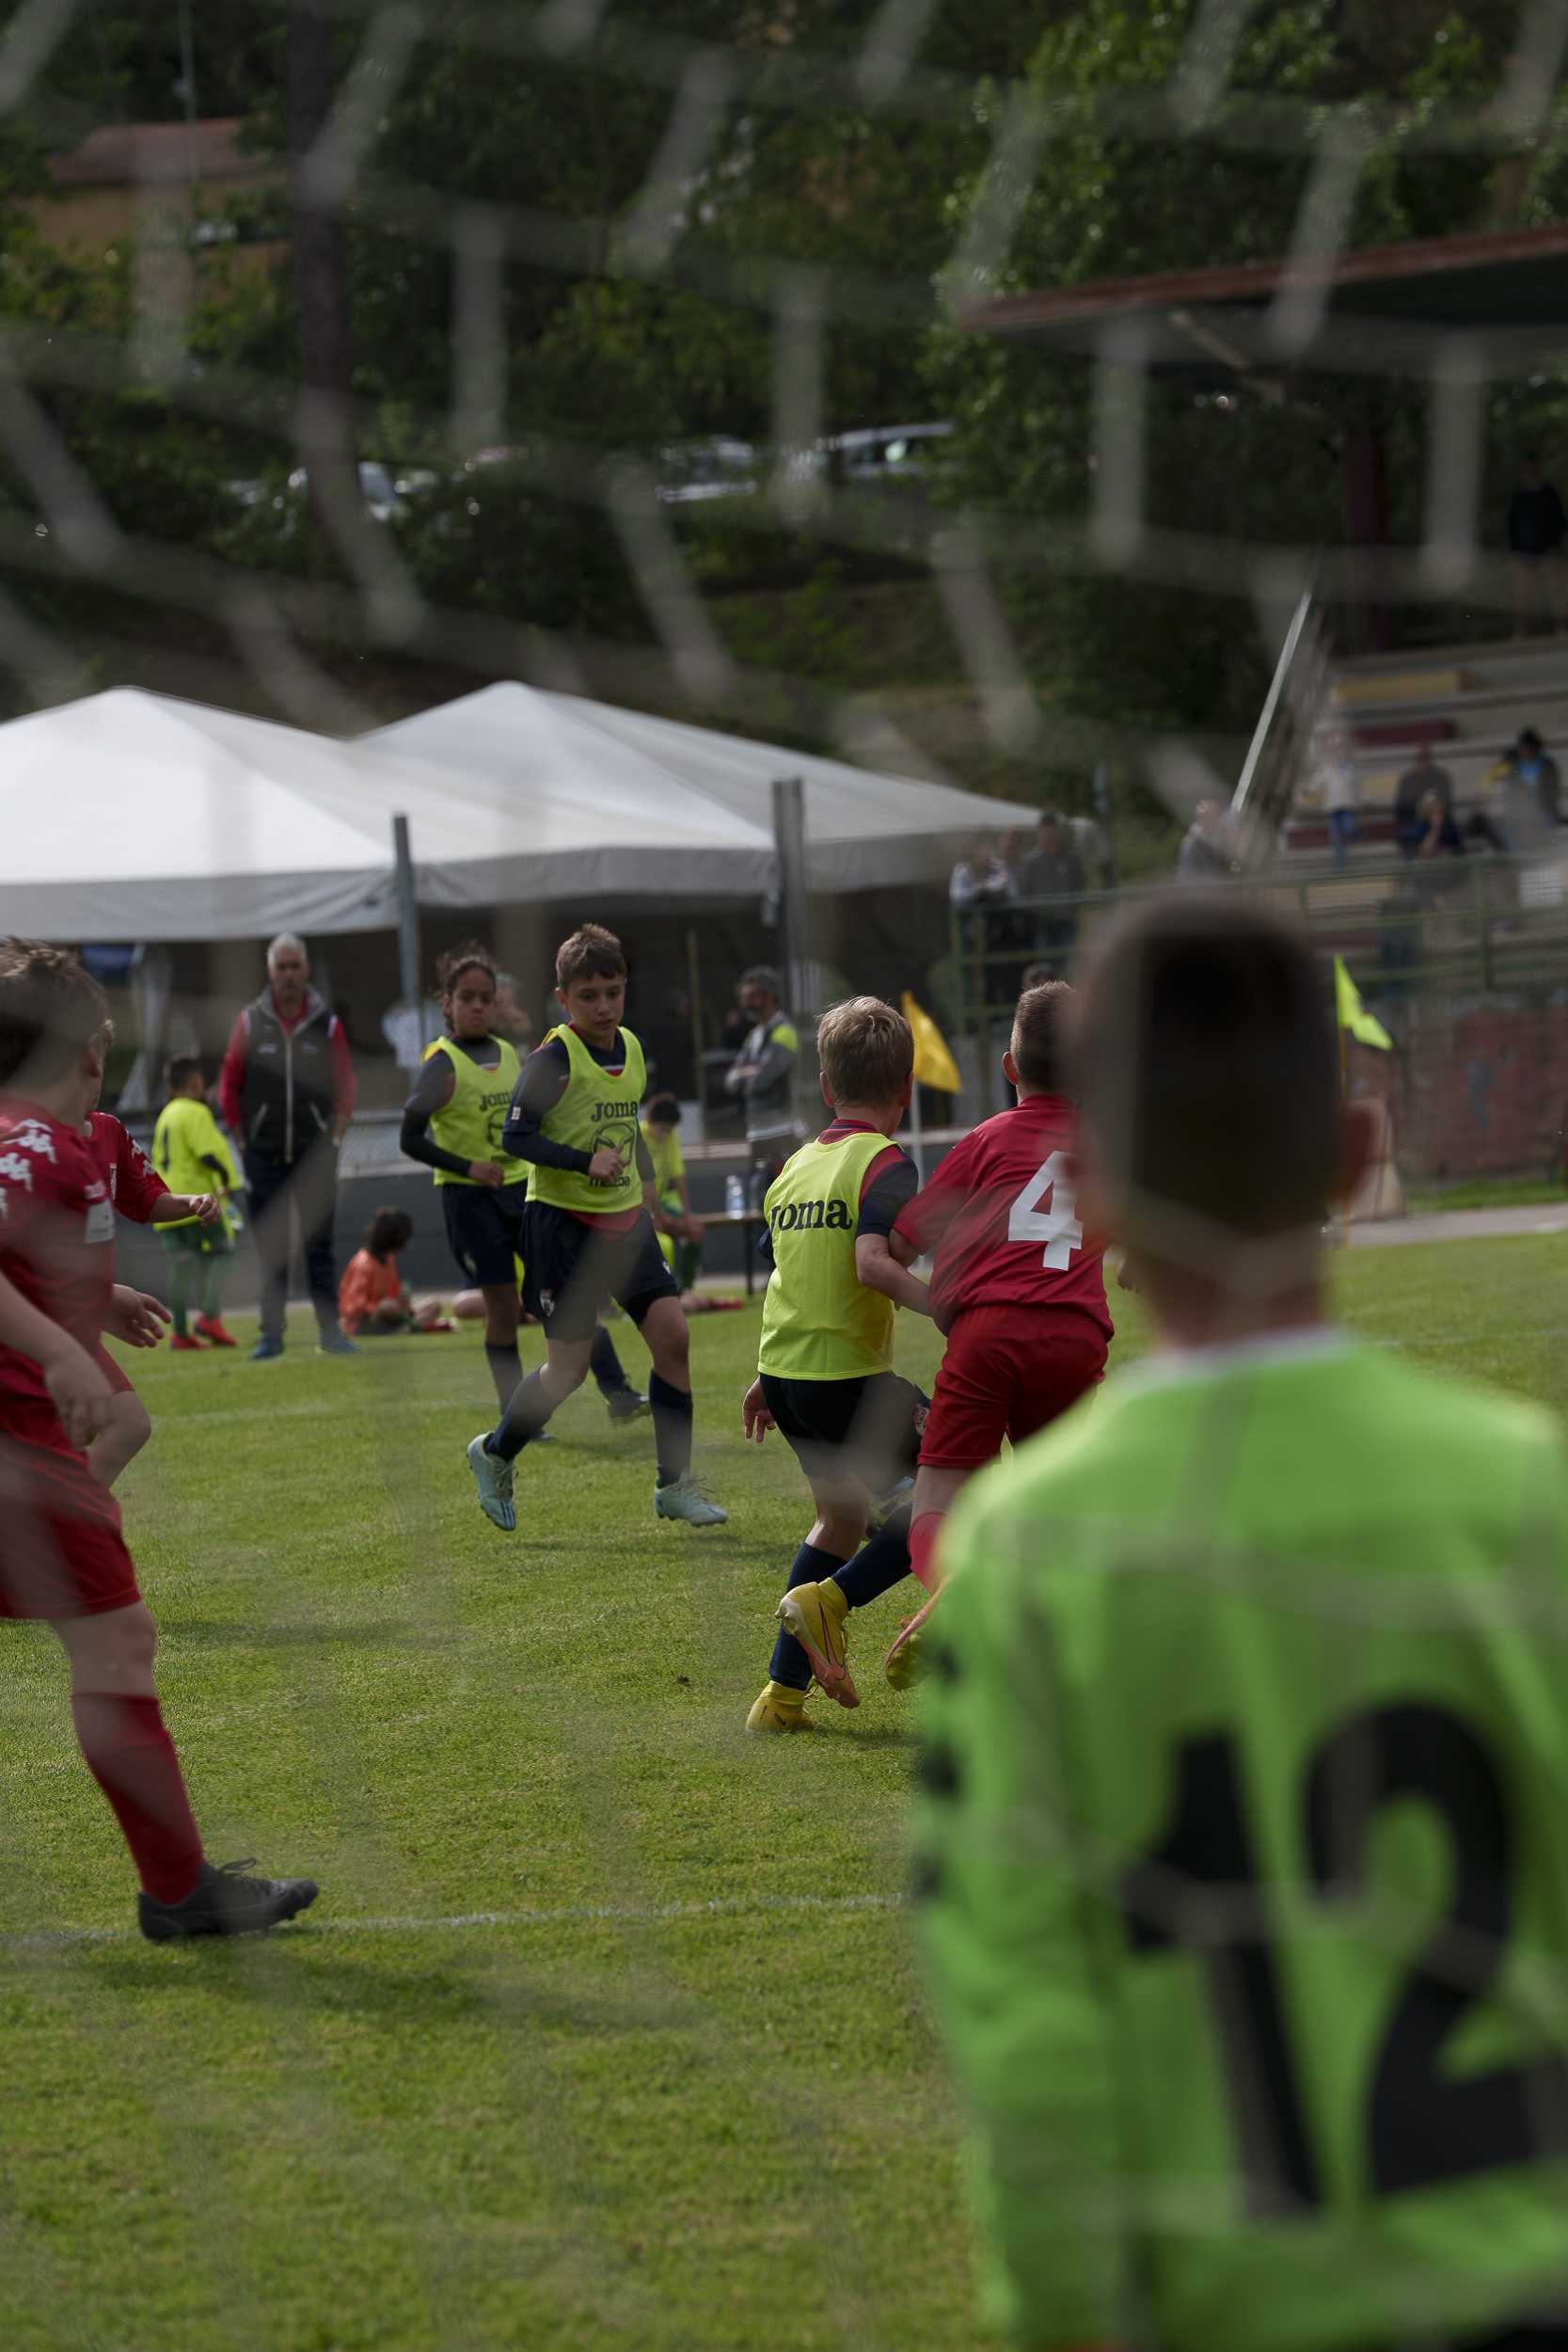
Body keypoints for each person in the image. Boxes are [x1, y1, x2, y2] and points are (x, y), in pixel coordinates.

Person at [916, 892, 1568, 2352]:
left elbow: (1026, 2022)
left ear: (1090, 1195)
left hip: (1236, 2304)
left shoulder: (1025, 1551)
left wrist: (1062, 2309)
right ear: (1349, 1156)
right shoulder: (1525, 1490)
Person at [0, 937, 317, 1940]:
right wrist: (61, 1351)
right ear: (82, 1045)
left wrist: (95, 1304)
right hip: (19, 1440)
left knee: (116, 1640)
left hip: (32, 1436)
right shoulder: (33, 1145)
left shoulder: (49, 1140)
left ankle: (178, 1887)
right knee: (116, 1643)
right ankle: (179, 1892)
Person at [879, 981, 1113, 1688]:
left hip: (987, 1332)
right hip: (1073, 1336)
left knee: (933, 1508)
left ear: (1009, 1068)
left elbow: (901, 1241)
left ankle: (966, 1592)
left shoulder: (983, 1140)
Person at [465, 924, 728, 1532]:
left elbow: (625, 1121)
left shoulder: (630, 1048)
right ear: (563, 998)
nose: (604, 1006)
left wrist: (646, 1178)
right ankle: (495, 1452)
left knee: (673, 1337)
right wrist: (584, 1162)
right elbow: (516, 1136)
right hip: (560, 1228)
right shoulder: (552, 1059)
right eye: (588, 996)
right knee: (568, 1371)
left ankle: (674, 1485)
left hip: (624, 1220)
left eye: (613, 992)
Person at [739, 995, 934, 1736]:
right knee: (955, 1491)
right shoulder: (884, 1163)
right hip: (847, 1381)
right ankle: (832, 1600)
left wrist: (767, 1378)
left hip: (787, 1376)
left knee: (840, 1518)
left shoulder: (795, 1167)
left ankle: (780, 1699)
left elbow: (791, 1271)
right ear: (905, 1087)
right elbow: (870, 1264)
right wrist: (947, 1306)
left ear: (825, 1087)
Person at [399, 942, 645, 1420]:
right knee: (503, 1308)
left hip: (524, 1194)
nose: (477, 1006)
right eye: (466, 998)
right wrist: (467, 1167)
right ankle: (515, 1414)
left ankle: (619, 1392)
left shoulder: (513, 1056)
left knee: (571, 1294)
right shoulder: (442, 1063)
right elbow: (410, 1138)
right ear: (447, 1003)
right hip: (471, 1201)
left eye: (485, 998)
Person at [80, 1041, 224, 1486]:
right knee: (111, 1423)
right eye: (83, 1063)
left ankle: (58, 1513)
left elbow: (144, 1196)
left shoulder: (107, 1131)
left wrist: (189, 1202)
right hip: (32, 1316)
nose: (93, 1075)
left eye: (99, 1064)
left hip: (68, 1312)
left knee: (118, 1424)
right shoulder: (25, 1143)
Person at [219, 932, 356, 1361]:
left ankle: (330, 1332)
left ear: (307, 969)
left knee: (319, 1246)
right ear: (270, 971)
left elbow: (346, 1085)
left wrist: (336, 1136)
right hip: (262, 1155)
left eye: (296, 966)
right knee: (269, 1249)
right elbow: (229, 1084)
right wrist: (242, 1140)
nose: (289, 975)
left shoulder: (326, 1022)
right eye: (282, 967)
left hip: (316, 1155)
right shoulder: (249, 1021)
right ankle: (271, 1336)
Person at [151, 1056, 241, 1355]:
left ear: (169, 1087)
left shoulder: (165, 1115)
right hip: (196, 1200)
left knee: (182, 1266)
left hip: (164, 1202)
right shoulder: (195, 1111)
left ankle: (179, 1334)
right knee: (224, 1253)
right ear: (196, 1082)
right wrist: (226, 1178)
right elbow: (206, 1154)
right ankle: (210, 1318)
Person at [722, 965, 801, 1203]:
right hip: (757, 1133)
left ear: (770, 996)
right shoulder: (755, 1035)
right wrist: (750, 1073)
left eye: (753, 996)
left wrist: (748, 1074)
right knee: (761, 1202)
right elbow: (730, 1082)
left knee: (784, 1201)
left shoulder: (785, 1032)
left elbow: (762, 1081)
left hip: (782, 1132)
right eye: (744, 997)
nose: (747, 1003)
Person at [337, 1207, 449, 1336]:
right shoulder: (363, 1264)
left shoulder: (388, 1258)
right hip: (362, 1323)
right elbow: (354, 1308)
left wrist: (403, 1301)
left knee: (433, 1304)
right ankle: (411, 1326)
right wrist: (386, 1308)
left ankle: (410, 1326)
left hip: (392, 1316)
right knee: (388, 1306)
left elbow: (394, 1293)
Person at [641, 1090, 705, 1298]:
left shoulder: (670, 1138)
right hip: (640, 1206)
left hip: (661, 1204)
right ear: (650, 1121)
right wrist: (657, 1216)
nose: (665, 1135)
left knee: (695, 1229)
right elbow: (642, 1186)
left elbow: (679, 1175)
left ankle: (685, 1289)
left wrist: (686, 1214)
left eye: (670, 1130)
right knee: (661, 1239)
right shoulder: (637, 1136)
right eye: (662, 1130)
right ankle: (664, 1291)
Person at [1507, 454, 1568, 633]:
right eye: (1524, 469)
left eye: (1530, 468)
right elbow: (1512, 525)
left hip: (1548, 551)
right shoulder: (1518, 496)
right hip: (1522, 554)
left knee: (1556, 591)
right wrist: (1515, 551)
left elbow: (1560, 522)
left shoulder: (1549, 494)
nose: (1527, 472)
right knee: (1522, 595)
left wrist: (1556, 547)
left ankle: (1561, 627)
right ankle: (1521, 630)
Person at [1018, 813, 1086, 956]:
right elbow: (1024, 890)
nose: (1048, 836)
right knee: (1046, 964)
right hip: (1042, 923)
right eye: (1044, 832)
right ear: (1039, 833)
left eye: (1052, 832)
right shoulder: (1031, 862)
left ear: (1058, 832)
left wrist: (1073, 906)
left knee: (1070, 961)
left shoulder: (1071, 858)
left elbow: (1080, 883)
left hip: (1067, 921)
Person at [1499, 726, 1563, 856]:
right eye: (1523, 748)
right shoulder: (1514, 767)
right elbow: (1509, 794)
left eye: (1530, 747)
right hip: (1519, 815)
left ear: (1537, 748)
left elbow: (1552, 794)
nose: (1527, 751)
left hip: (1543, 813)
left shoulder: (1548, 766)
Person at [1395, 744, 1455, 855]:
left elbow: (1445, 802)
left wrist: (1435, 811)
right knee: (1409, 833)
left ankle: (1440, 851)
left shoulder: (1441, 777)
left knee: (1446, 829)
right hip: (1415, 820)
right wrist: (1423, 809)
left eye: (1425, 757)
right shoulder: (1407, 780)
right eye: (1420, 758)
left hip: (1439, 819)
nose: (1423, 761)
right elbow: (1402, 806)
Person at [1314, 731, 1359, 867]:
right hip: (1333, 807)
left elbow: (1356, 786)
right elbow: (1317, 782)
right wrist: (1307, 790)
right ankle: (1340, 863)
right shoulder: (1326, 769)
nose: (1338, 755)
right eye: (1336, 752)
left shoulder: (1350, 768)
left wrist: (1362, 799)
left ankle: (1356, 836)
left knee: (1349, 828)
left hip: (1347, 805)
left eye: (1340, 752)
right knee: (1336, 837)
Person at [1175, 798, 1235, 881]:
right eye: (1208, 817)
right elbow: (1185, 875)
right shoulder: (1191, 844)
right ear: (1200, 819)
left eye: (1216, 817)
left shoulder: (1219, 840)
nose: (1214, 821)